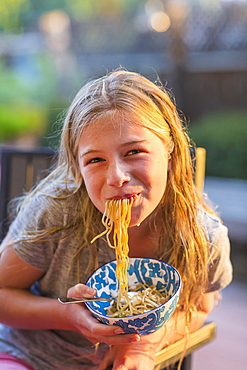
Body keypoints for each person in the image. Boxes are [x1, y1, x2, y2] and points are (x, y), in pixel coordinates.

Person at [0, 69, 232, 370]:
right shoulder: (56, 214)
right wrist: (69, 315)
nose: (117, 177)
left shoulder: (201, 235)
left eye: (134, 151)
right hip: (32, 356)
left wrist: (146, 345)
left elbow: (200, 305)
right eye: (95, 160)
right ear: (78, 171)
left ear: (171, 155)